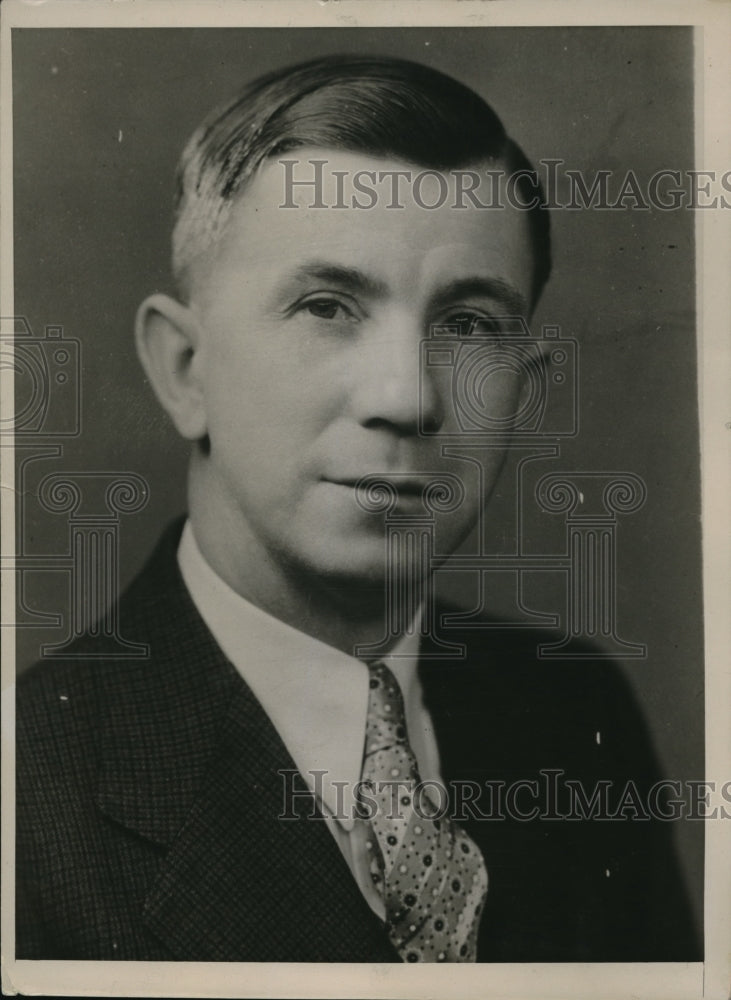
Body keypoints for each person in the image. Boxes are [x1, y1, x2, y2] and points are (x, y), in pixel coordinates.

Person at [16, 54, 699, 963]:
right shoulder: (27, 798)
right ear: (185, 370)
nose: (406, 397)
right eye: (327, 306)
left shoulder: (574, 714)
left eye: (468, 325)